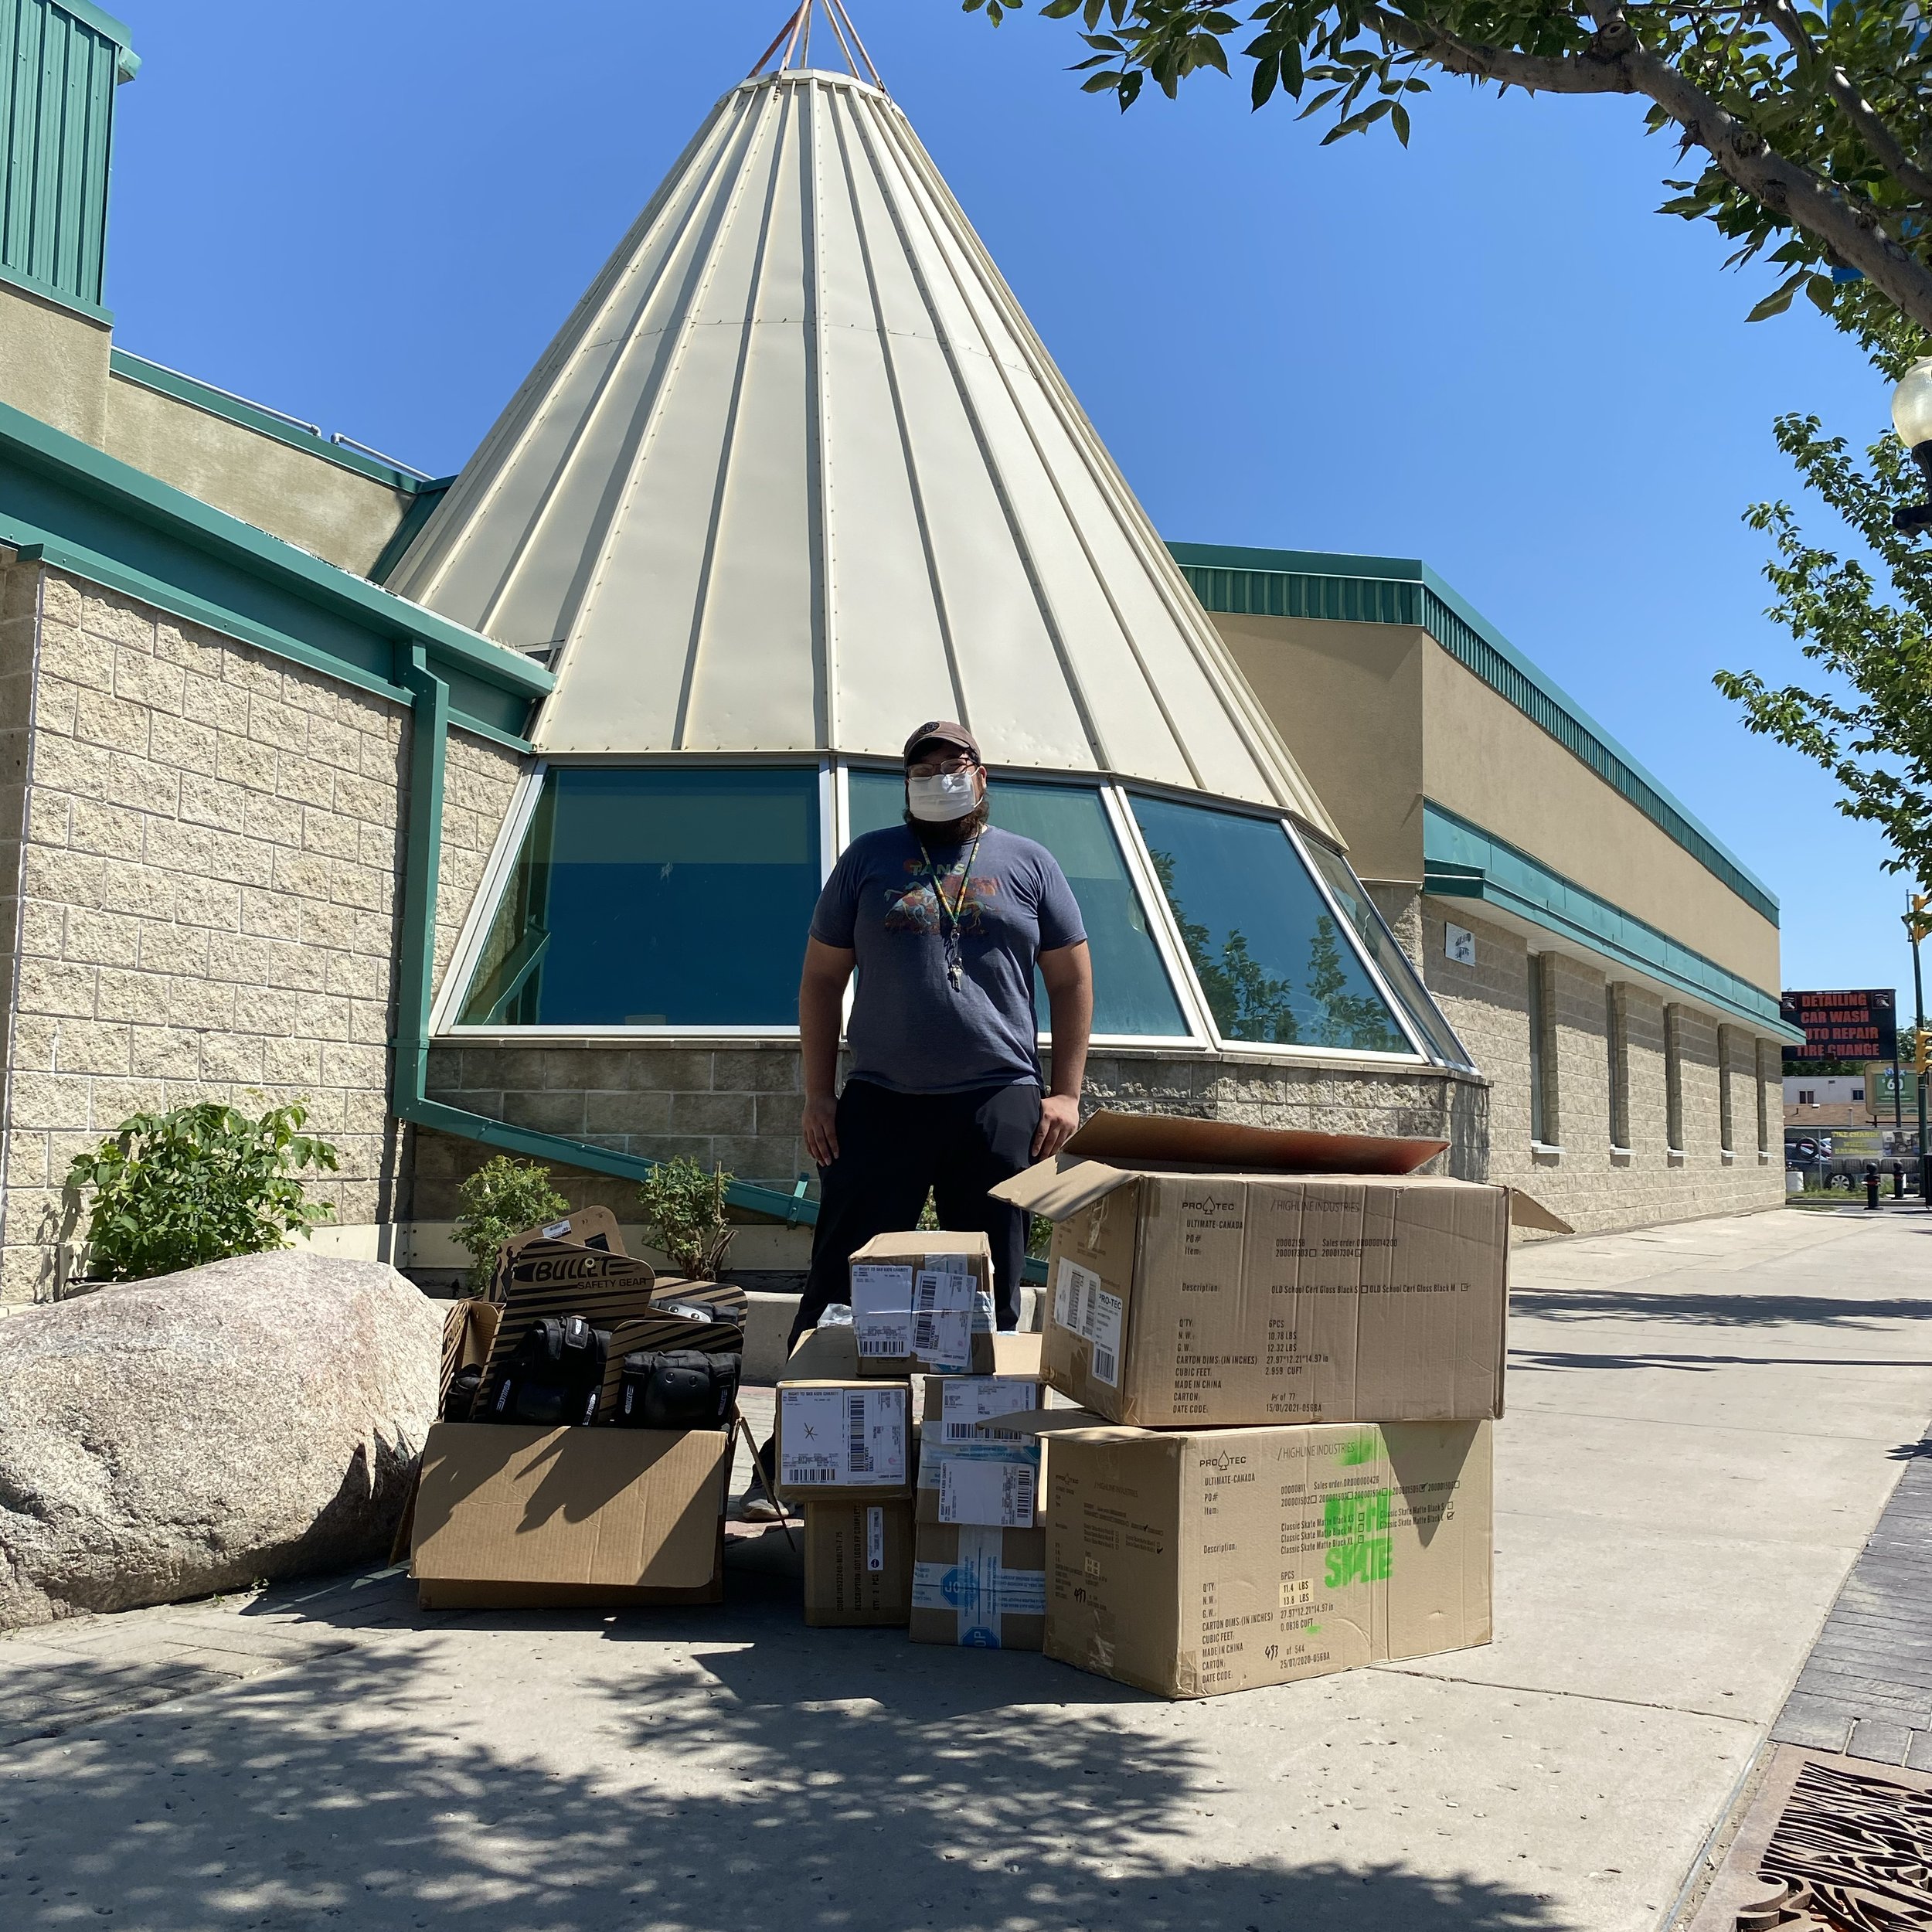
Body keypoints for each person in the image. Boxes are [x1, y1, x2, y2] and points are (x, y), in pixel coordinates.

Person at [740, 721, 1094, 1519]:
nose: (938, 775)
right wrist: (818, 1092)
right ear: (905, 782)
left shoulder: (1028, 863)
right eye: (922, 766)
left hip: (998, 1100)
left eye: (952, 763)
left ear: (980, 772)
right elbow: (821, 980)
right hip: (881, 1100)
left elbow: (1072, 980)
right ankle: (788, 1465)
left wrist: (1065, 1092)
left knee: (996, 1291)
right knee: (839, 1281)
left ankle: (987, 1472)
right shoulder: (867, 860)